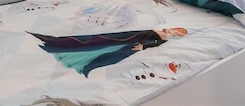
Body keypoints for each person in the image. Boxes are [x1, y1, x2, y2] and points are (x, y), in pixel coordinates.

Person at [29, 27, 187, 77]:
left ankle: (82, 61)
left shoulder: (164, 37)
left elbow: (155, 42)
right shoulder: (161, 31)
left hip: (132, 42)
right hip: (128, 37)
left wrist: (143, 47)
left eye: (176, 32)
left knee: (105, 50)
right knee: (97, 41)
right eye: (174, 29)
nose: (172, 30)